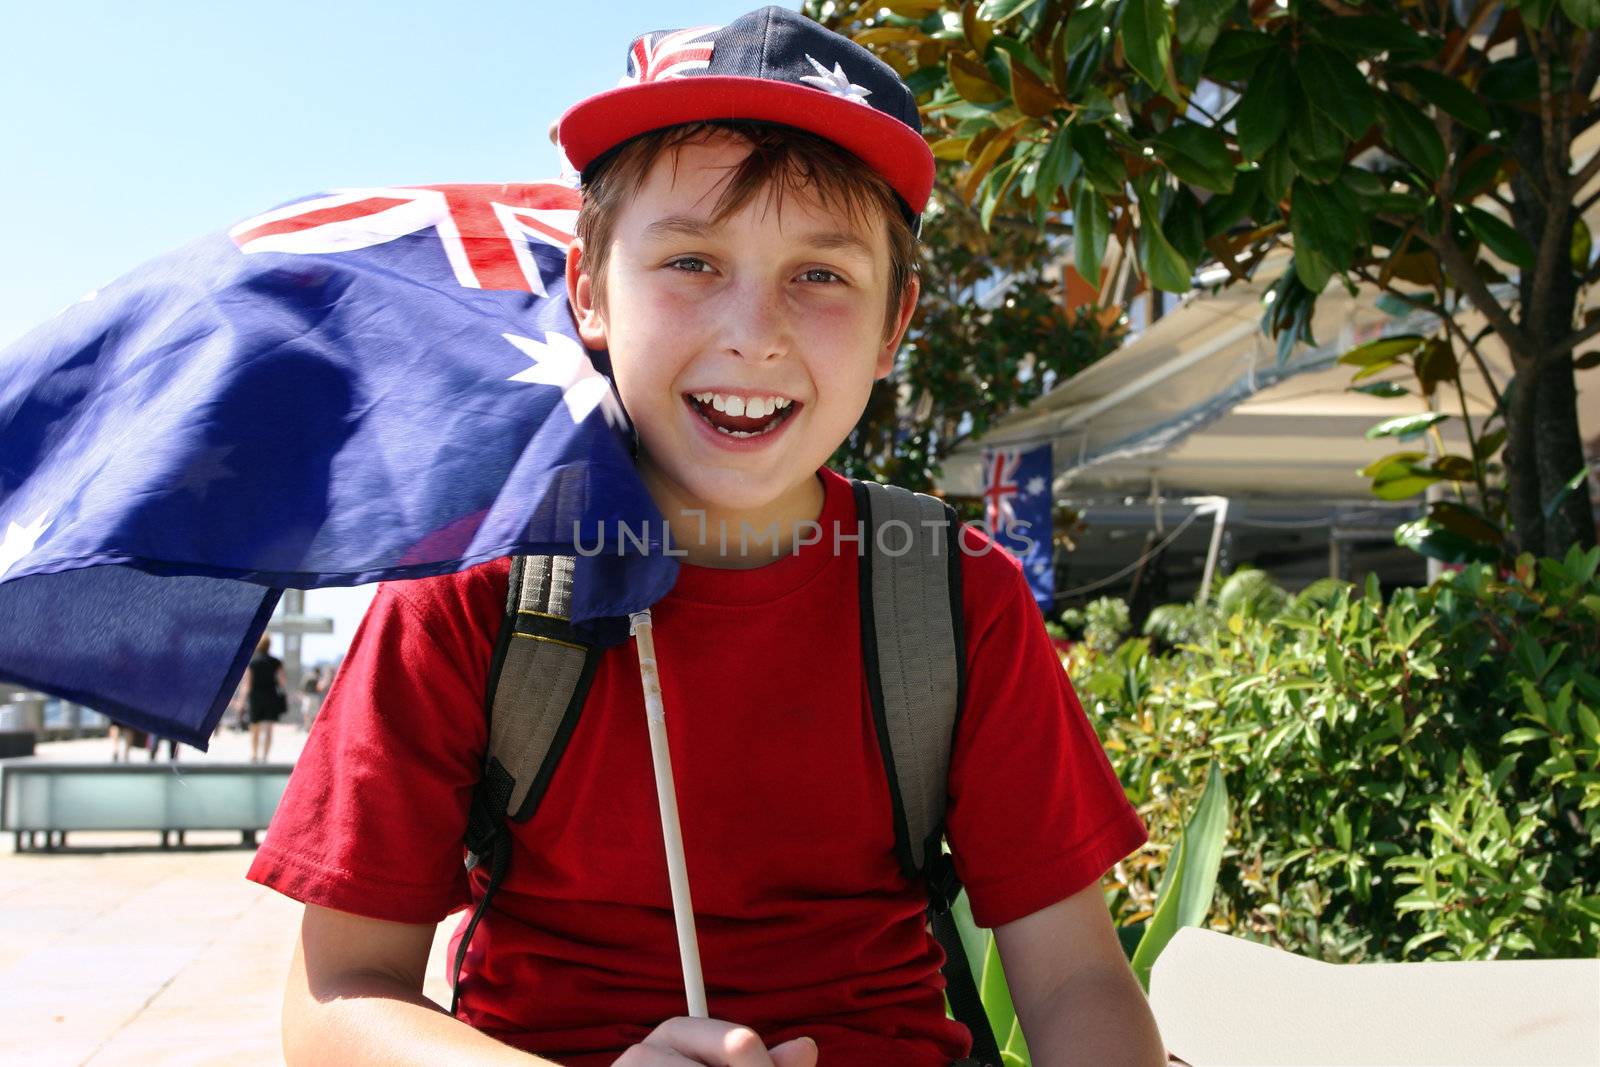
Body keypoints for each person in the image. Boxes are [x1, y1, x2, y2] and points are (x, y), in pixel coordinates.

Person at [248, 8, 1164, 1066]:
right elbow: (333, 998)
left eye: (821, 275)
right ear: (590, 291)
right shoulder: (465, 585)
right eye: (690, 260)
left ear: (893, 326)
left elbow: (1077, 978)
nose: (753, 330)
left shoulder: (954, 593)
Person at [245, 634, 287, 763]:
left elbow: (248, 683)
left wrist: (241, 702)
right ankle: (265, 756)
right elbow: (282, 681)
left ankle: (254, 754)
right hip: (271, 696)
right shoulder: (276, 662)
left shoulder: (252, 662)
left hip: (255, 697)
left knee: (254, 727)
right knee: (268, 728)